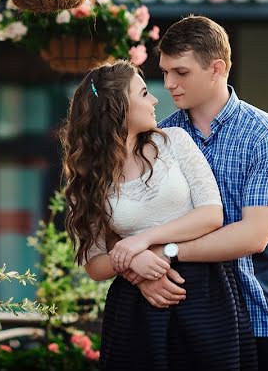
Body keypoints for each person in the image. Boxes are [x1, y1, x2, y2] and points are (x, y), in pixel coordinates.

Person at [60, 60, 256, 370]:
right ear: (119, 108)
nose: (154, 100)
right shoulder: (86, 181)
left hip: (205, 290)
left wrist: (143, 243)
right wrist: (131, 263)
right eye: (143, 93)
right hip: (137, 303)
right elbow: (95, 264)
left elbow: (210, 214)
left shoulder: (175, 141)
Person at [137, 15, 268, 371]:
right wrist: (141, 269)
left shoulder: (264, 135)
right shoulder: (160, 139)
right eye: (164, 73)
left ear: (216, 68)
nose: (169, 84)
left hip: (259, 314)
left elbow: (254, 236)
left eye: (181, 72)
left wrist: (167, 252)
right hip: (185, 313)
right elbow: (138, 222)